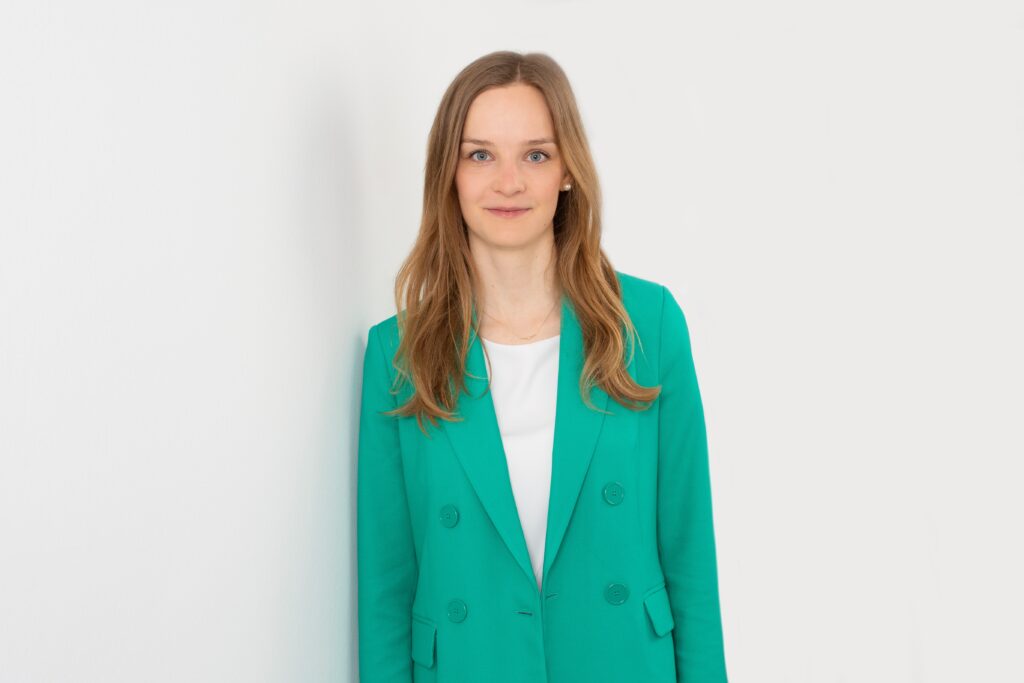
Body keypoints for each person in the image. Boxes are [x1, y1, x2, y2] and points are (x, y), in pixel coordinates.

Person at [357, 50, 728, 683]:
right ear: (449, 173)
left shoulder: (648, 325)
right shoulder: (398, 354)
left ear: (567, 171)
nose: (509, 182)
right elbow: (386, 591)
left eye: (535, 154)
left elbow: (691, 560)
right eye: (480, 155)